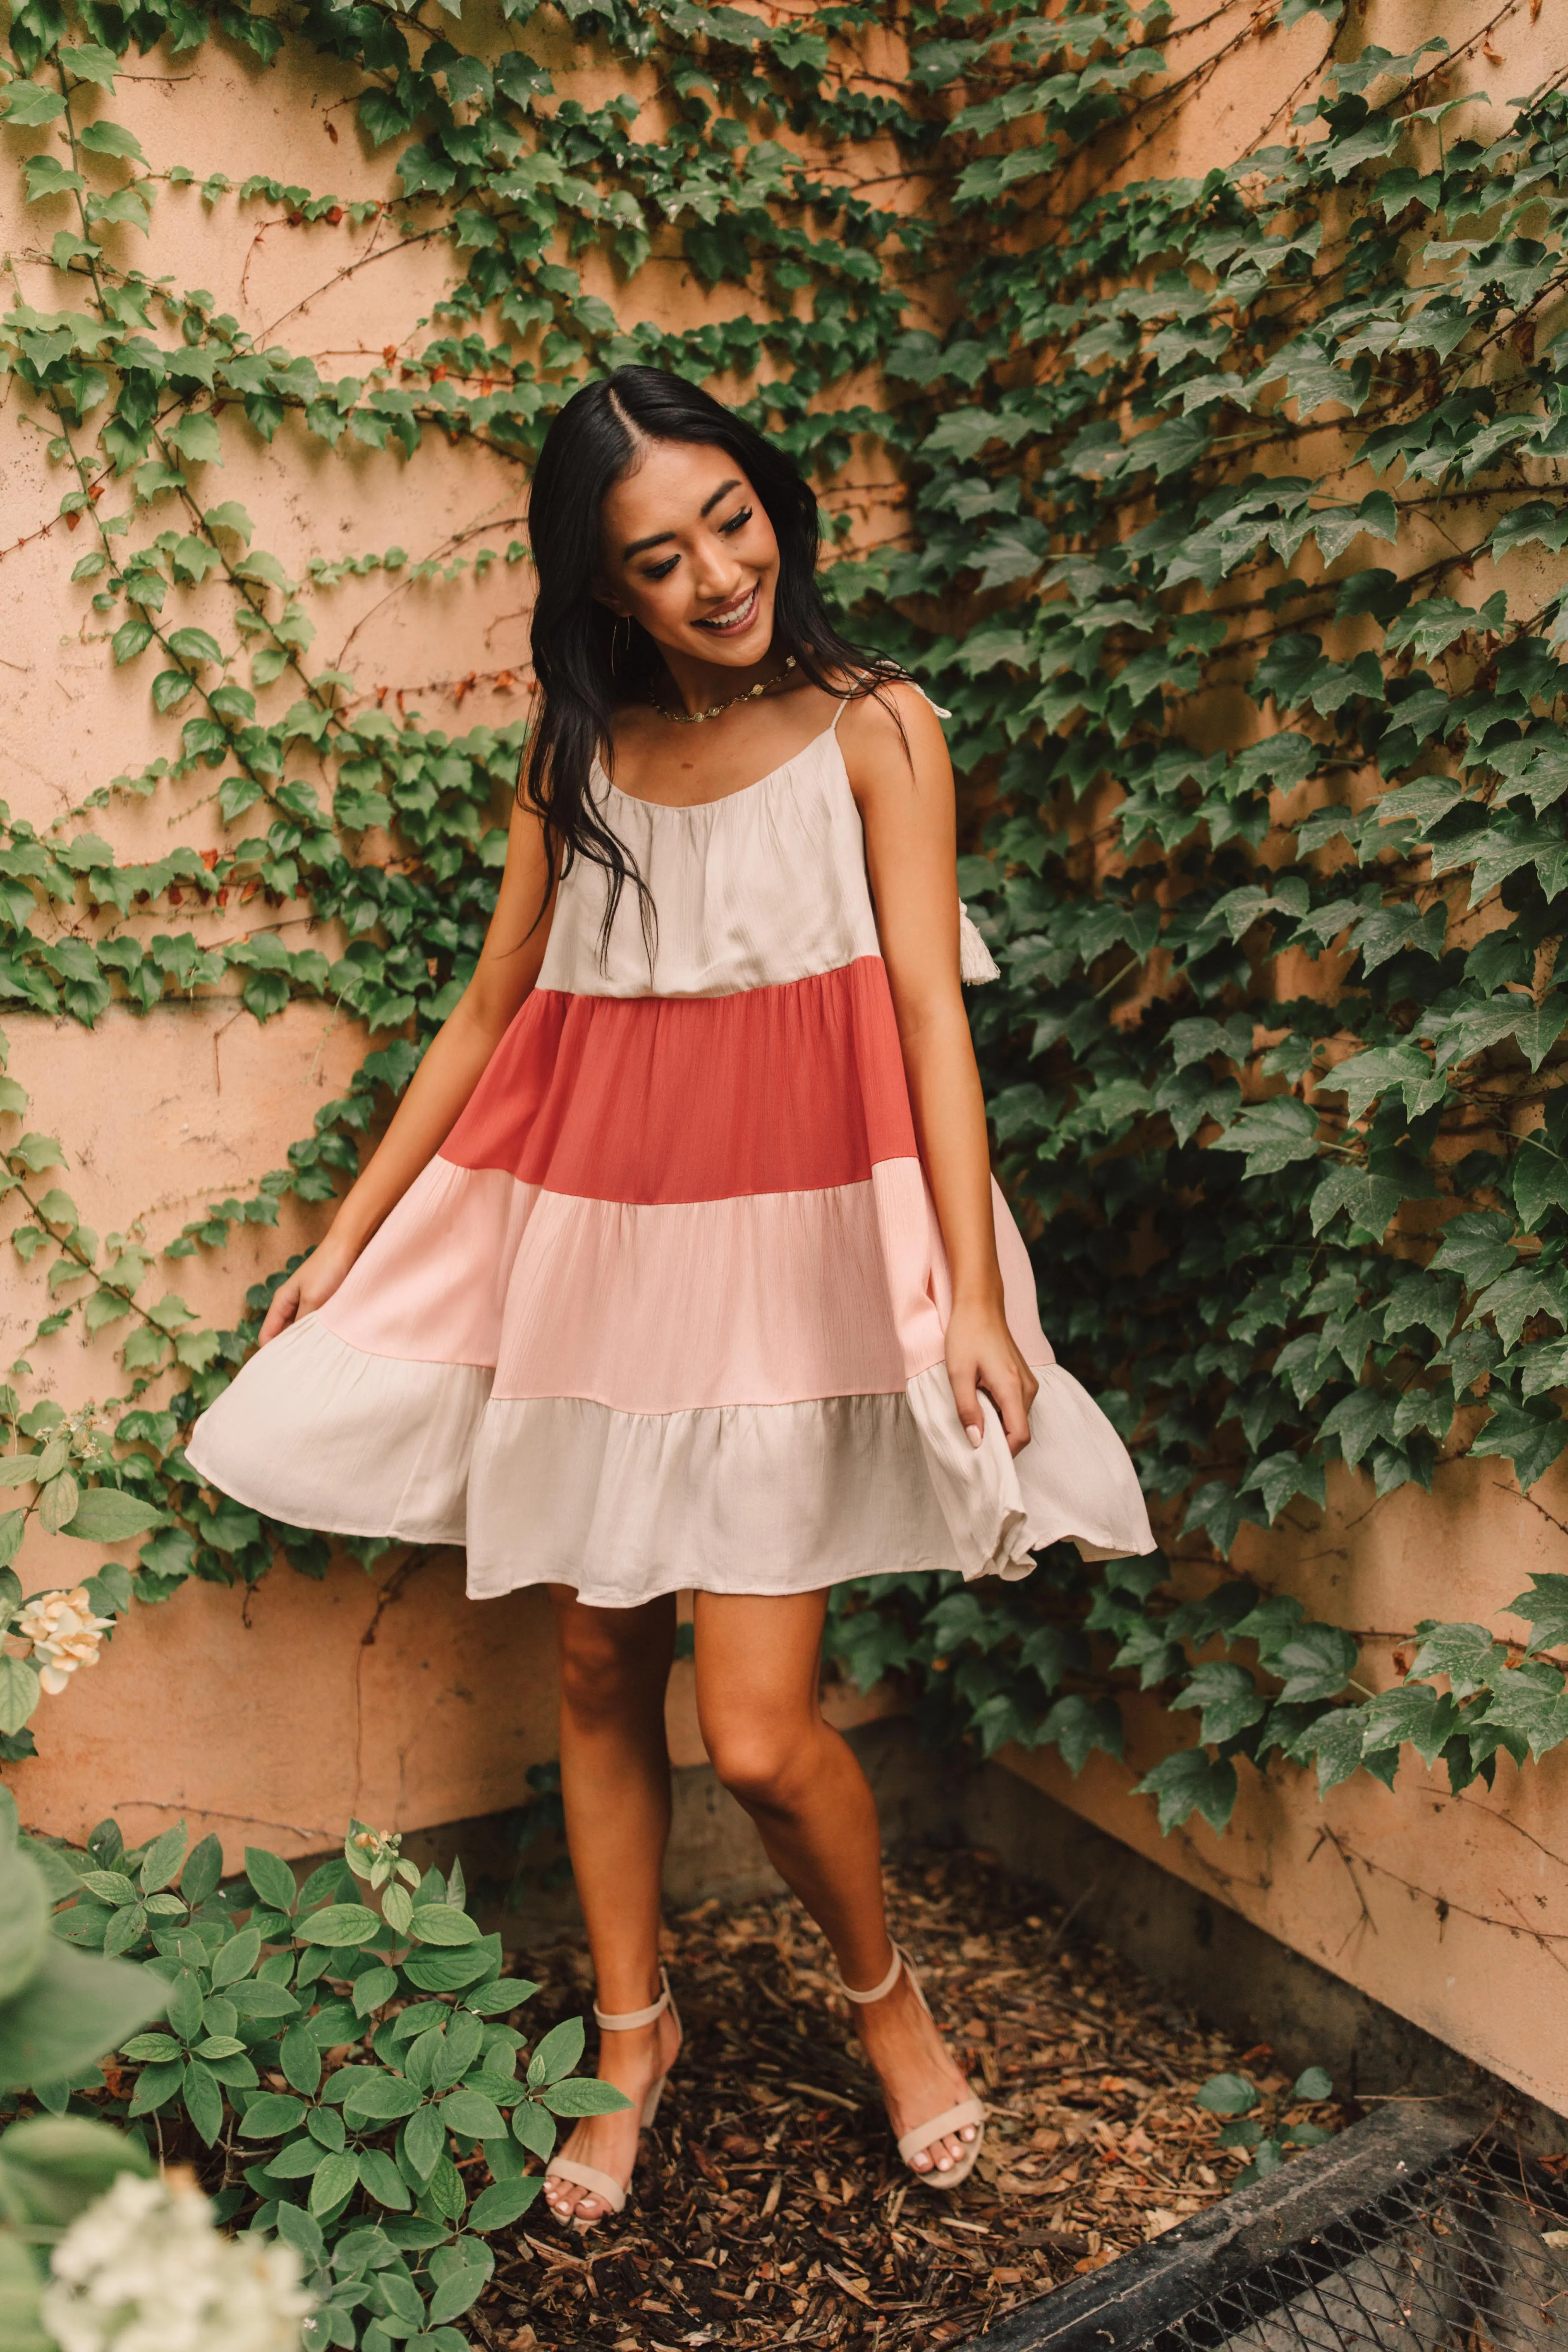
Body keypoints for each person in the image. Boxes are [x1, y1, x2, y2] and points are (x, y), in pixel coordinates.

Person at [187, 365, 1154, 2230]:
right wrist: (346, 1236)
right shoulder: (581, 760)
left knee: (766, 1732)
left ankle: (888, 2001)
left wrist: (968, 1286)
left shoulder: (882, 728)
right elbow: (490, 1012)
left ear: (772, 500)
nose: (720, 571)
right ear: (602, 591)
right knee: (590, 1654)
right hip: (605, 1240)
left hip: (793, 1257)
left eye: (732, 517)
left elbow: (933, 1013)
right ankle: (632, 2032)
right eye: (661, 554)